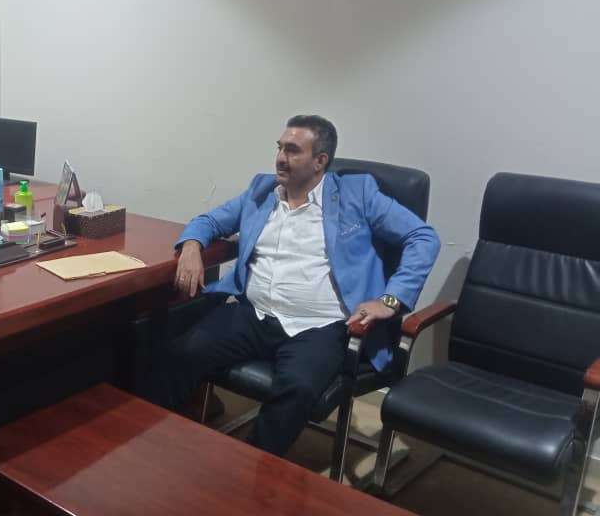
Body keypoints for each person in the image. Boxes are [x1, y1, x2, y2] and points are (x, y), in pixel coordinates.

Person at [166, 115, 439, 456]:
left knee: (296, 390)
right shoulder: (261, 190)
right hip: (254, 314)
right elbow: (208, 221)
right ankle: (154, 445)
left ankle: (249, 469)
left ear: (320, 161)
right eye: (280, 147)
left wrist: (391, 299)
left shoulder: (357, 194)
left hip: (320, 327)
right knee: (181, 352)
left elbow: (422, 237)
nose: (280, 158)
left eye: (292, 150)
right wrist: (192, 245)